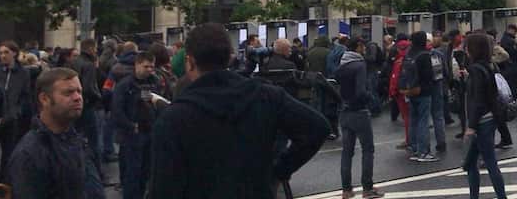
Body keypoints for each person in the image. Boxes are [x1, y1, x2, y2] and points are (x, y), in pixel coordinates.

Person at [148, 22, 330, 198]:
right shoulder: (265, 96)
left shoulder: (173, 118)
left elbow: (163, 188)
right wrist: (278, 171)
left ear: (190, 62)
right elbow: (317, 128)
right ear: (229, 58)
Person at [4, 67, 103, 199]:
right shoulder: (29, 154)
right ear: (44, 99)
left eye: (79, 91)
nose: (77, 98)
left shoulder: (75, 140)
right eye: (68, 93)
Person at [110, 51, 165, 199]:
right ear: (137, 65)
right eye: (146, 66)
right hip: (132, 134)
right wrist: (130, 125)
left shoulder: (154, 81)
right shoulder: (125, 85)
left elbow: (158, 103)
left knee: (146, 172)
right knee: (132, 173)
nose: (149, 70)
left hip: (150, 131)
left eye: (152, 67)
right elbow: (117, 109)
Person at [462, 33, 507, 199]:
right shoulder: (489, 66)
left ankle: (492, 196)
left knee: (483, 162)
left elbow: (477, 100)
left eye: (467, 46)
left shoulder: (475, 69)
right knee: (475, 162)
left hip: (480, 121)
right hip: (490, 117)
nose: (465, 49)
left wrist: (471, 126)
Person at [338, 37, 385, 198]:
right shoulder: (359, 65)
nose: (364, 49)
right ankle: (367, 188)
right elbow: (360, 91)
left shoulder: (342, 64)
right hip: (359, 111)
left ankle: (346, 190)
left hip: (344, 111)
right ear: (358, 47)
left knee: (347, 152)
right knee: (367, 149)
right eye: (363, 46)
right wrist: (371, 99)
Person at [400, 31, 446, 162]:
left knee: (413, 120)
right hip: (424, 91)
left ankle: (414, 148)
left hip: (410, 90)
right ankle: (424, 151)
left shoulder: (409, 54)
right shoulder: (425, 55)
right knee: (423, 121)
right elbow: (431, 75)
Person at [0, 41, 33, 179]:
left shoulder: (23, 73)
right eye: (1, 53)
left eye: (6, 52)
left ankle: (5, 182)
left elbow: (25, 97)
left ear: (14, 53)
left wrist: (15, 114)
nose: (3, 55)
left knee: (9, 154)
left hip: (12, 119)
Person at [499, 25, 517, 100]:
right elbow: (515, 54)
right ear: (510, 30)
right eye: (514, 31)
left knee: (510, 86)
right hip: (511, 67)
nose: (515, 33)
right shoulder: (510, 41)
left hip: (508, 67)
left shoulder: (505, 39)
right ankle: (512, 102)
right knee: (512, 86)